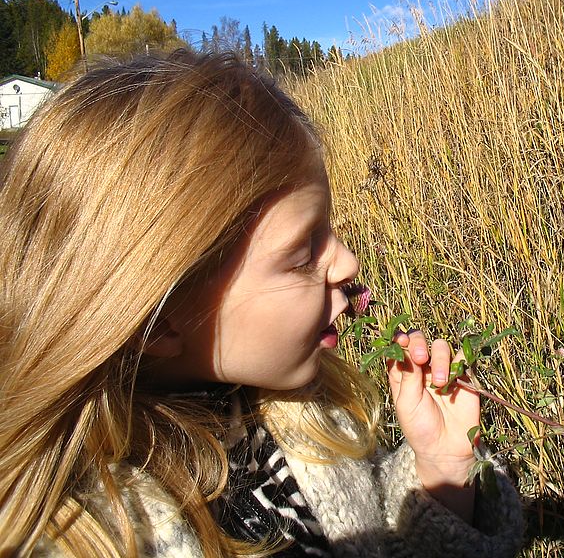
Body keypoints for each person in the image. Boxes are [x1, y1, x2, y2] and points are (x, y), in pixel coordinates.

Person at [0, 50, 524, 557]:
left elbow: (378, 538)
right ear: (158, 321)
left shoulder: (308, 416)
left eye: (330, 231)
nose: (348, 263)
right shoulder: (93, 536)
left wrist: (441, 471)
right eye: (302, 254)